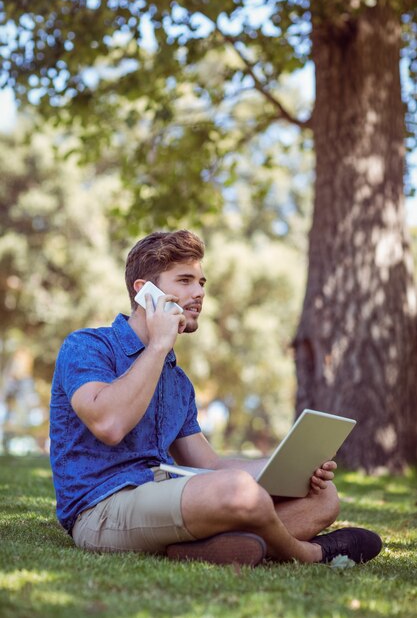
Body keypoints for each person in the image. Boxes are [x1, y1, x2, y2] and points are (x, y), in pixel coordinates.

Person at [49, 230, 382, 567]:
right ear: (143, 292)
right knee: (237, 491)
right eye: (185, 280)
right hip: (100, 510)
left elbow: (209, 465)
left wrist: (291, 469)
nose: (199, 293)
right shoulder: (87, 346)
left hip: (163, 496)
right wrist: (158, 344)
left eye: (201, 283)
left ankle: (206, 549)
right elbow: (109, 424)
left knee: (322, 498)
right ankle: (309, 553)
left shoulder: (177, 381)